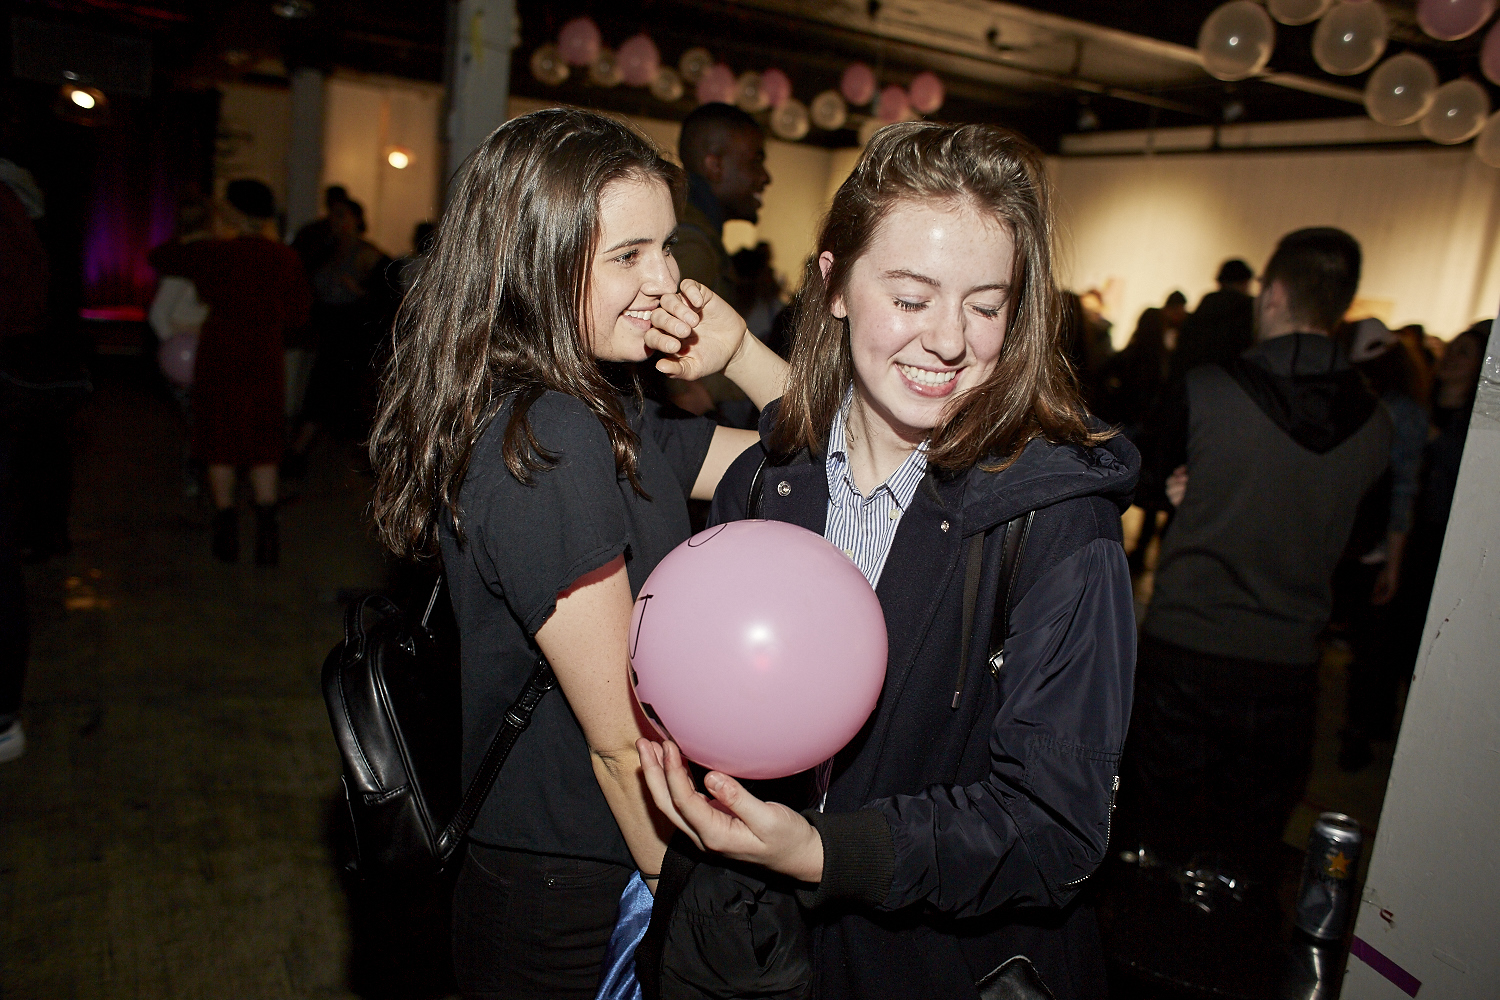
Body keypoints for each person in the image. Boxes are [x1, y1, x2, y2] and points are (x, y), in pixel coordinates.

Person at [638, 122, 1139, 999]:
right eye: (911, 297)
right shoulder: (762, 486)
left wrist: (829, 851)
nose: (949, 341)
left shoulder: (1055, 521)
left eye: (986, 306)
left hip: (939, 967)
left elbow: (1057, 827)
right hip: (774, 960)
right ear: (833, 284)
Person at [367, 108, 787, 1000]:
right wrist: (688, 912)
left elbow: (817, 461)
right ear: (536, 264)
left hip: (581, 863)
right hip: (570, 890)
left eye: (666, 247)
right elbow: (619, 745)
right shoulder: (548, 435)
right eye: (628, 255)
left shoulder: (600, 409)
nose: (666, 280)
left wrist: (743, 354)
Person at [1120, 228, 1392, 886]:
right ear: (1342, 306)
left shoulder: (1209, 389)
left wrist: (1181, 489)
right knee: (1243, 859)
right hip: (1289, 668)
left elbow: (1140, 480)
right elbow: (1362, 546)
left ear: (1272, 294)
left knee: (1150, 848)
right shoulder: (1378, 423)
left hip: (1185, 651)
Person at [150, 180, 313, 565]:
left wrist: (199, 235)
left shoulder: (215, 252)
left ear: (232, 213)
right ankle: (267, 537)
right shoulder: (283, 257)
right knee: (263, 444)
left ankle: (225, 534)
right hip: (263, 356)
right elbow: (299, 315)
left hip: (220, 353)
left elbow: (159, 257)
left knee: (219, 441)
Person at [674, 103, 771, 416]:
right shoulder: (692, 243)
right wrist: (686, 394)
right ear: (714, 166)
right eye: (756, 161)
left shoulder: (698, 233)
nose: (765, 177)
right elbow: (663, 352)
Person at [1168, 258, 1254, 385]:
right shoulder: (1248, 309)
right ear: (1245, 282)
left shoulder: (1204, 309)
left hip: (1196, 383)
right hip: (1234, 385)